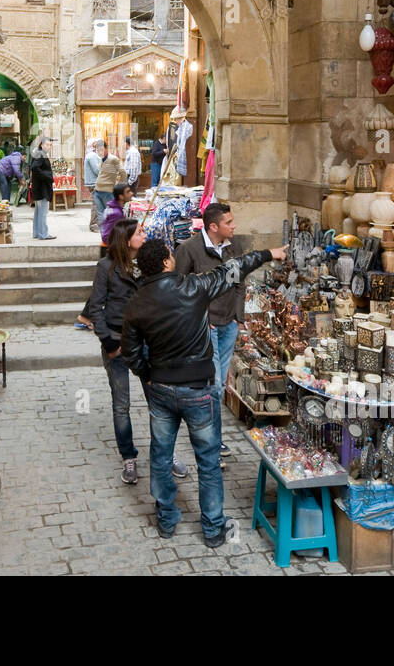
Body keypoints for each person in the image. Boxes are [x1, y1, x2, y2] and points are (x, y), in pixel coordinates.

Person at [121, 237, 285, 545]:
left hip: (161, 390)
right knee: (208, 461)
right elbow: (233, 269)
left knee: (160, 455)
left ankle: (167, 520)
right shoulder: (193, 288)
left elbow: (130, 353)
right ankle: (212, 529)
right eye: (171, 254)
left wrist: (150, 373)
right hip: (198, 388)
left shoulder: (137, 303)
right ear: (167, 262)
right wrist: (267, 254)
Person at [91, 218, 188, 485]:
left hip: (147, 344)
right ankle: (128, 457)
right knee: (121, 405)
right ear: (126, 239)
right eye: (140, 232)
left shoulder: (147, 267)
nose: (145, 234)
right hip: (116, 343)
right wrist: (108, 342)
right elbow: (95, 307)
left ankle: (166, 455)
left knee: (158, 403)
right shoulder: (106, 268)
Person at [174, 203, 245, 460]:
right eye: (229, 222)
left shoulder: (232, 247)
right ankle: (211, 443)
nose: (234, 225)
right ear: (213, 227)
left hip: (229, 325)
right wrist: (201, 316)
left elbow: (239, 283)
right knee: (213, 386)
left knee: (219, 386)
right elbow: (179, 290)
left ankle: (213, 439)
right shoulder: (189, 250)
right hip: (206, 328)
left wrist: (238, 316)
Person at [29, 137, 56, 240]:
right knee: (43, 212)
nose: (49, 147)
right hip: (42, 188)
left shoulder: (38, 153)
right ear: (41, 145)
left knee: (38, 212)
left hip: (38, 187)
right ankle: (43, 234)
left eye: (50, 145)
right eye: (47, 144)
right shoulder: (40, 154)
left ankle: (37, 233)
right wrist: (48, 177)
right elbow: (35, 168)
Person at [93, 141, 124, 226]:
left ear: (106, 148)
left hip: (108, 191)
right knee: (100, 214)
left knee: (110, 214)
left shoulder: (113, 159)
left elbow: (123, 172)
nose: (100, 152)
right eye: (98, 150)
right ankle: (104, 235)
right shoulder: (101, 159)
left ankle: (109, 234)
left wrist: (118, 186)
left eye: (102, 149)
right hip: (97, 190)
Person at [99, 182, 133, 246]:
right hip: (110, 247)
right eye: (128, 192)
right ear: (121, 196)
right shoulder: (116, 213)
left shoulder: (114, 208)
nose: (131, 193)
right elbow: (107, 235)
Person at [83, 140, 102, 232]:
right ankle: (94, 225)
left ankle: (97, 223)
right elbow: (97, 170)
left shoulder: (91, 155)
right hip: (94, 183)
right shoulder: (92, 156)